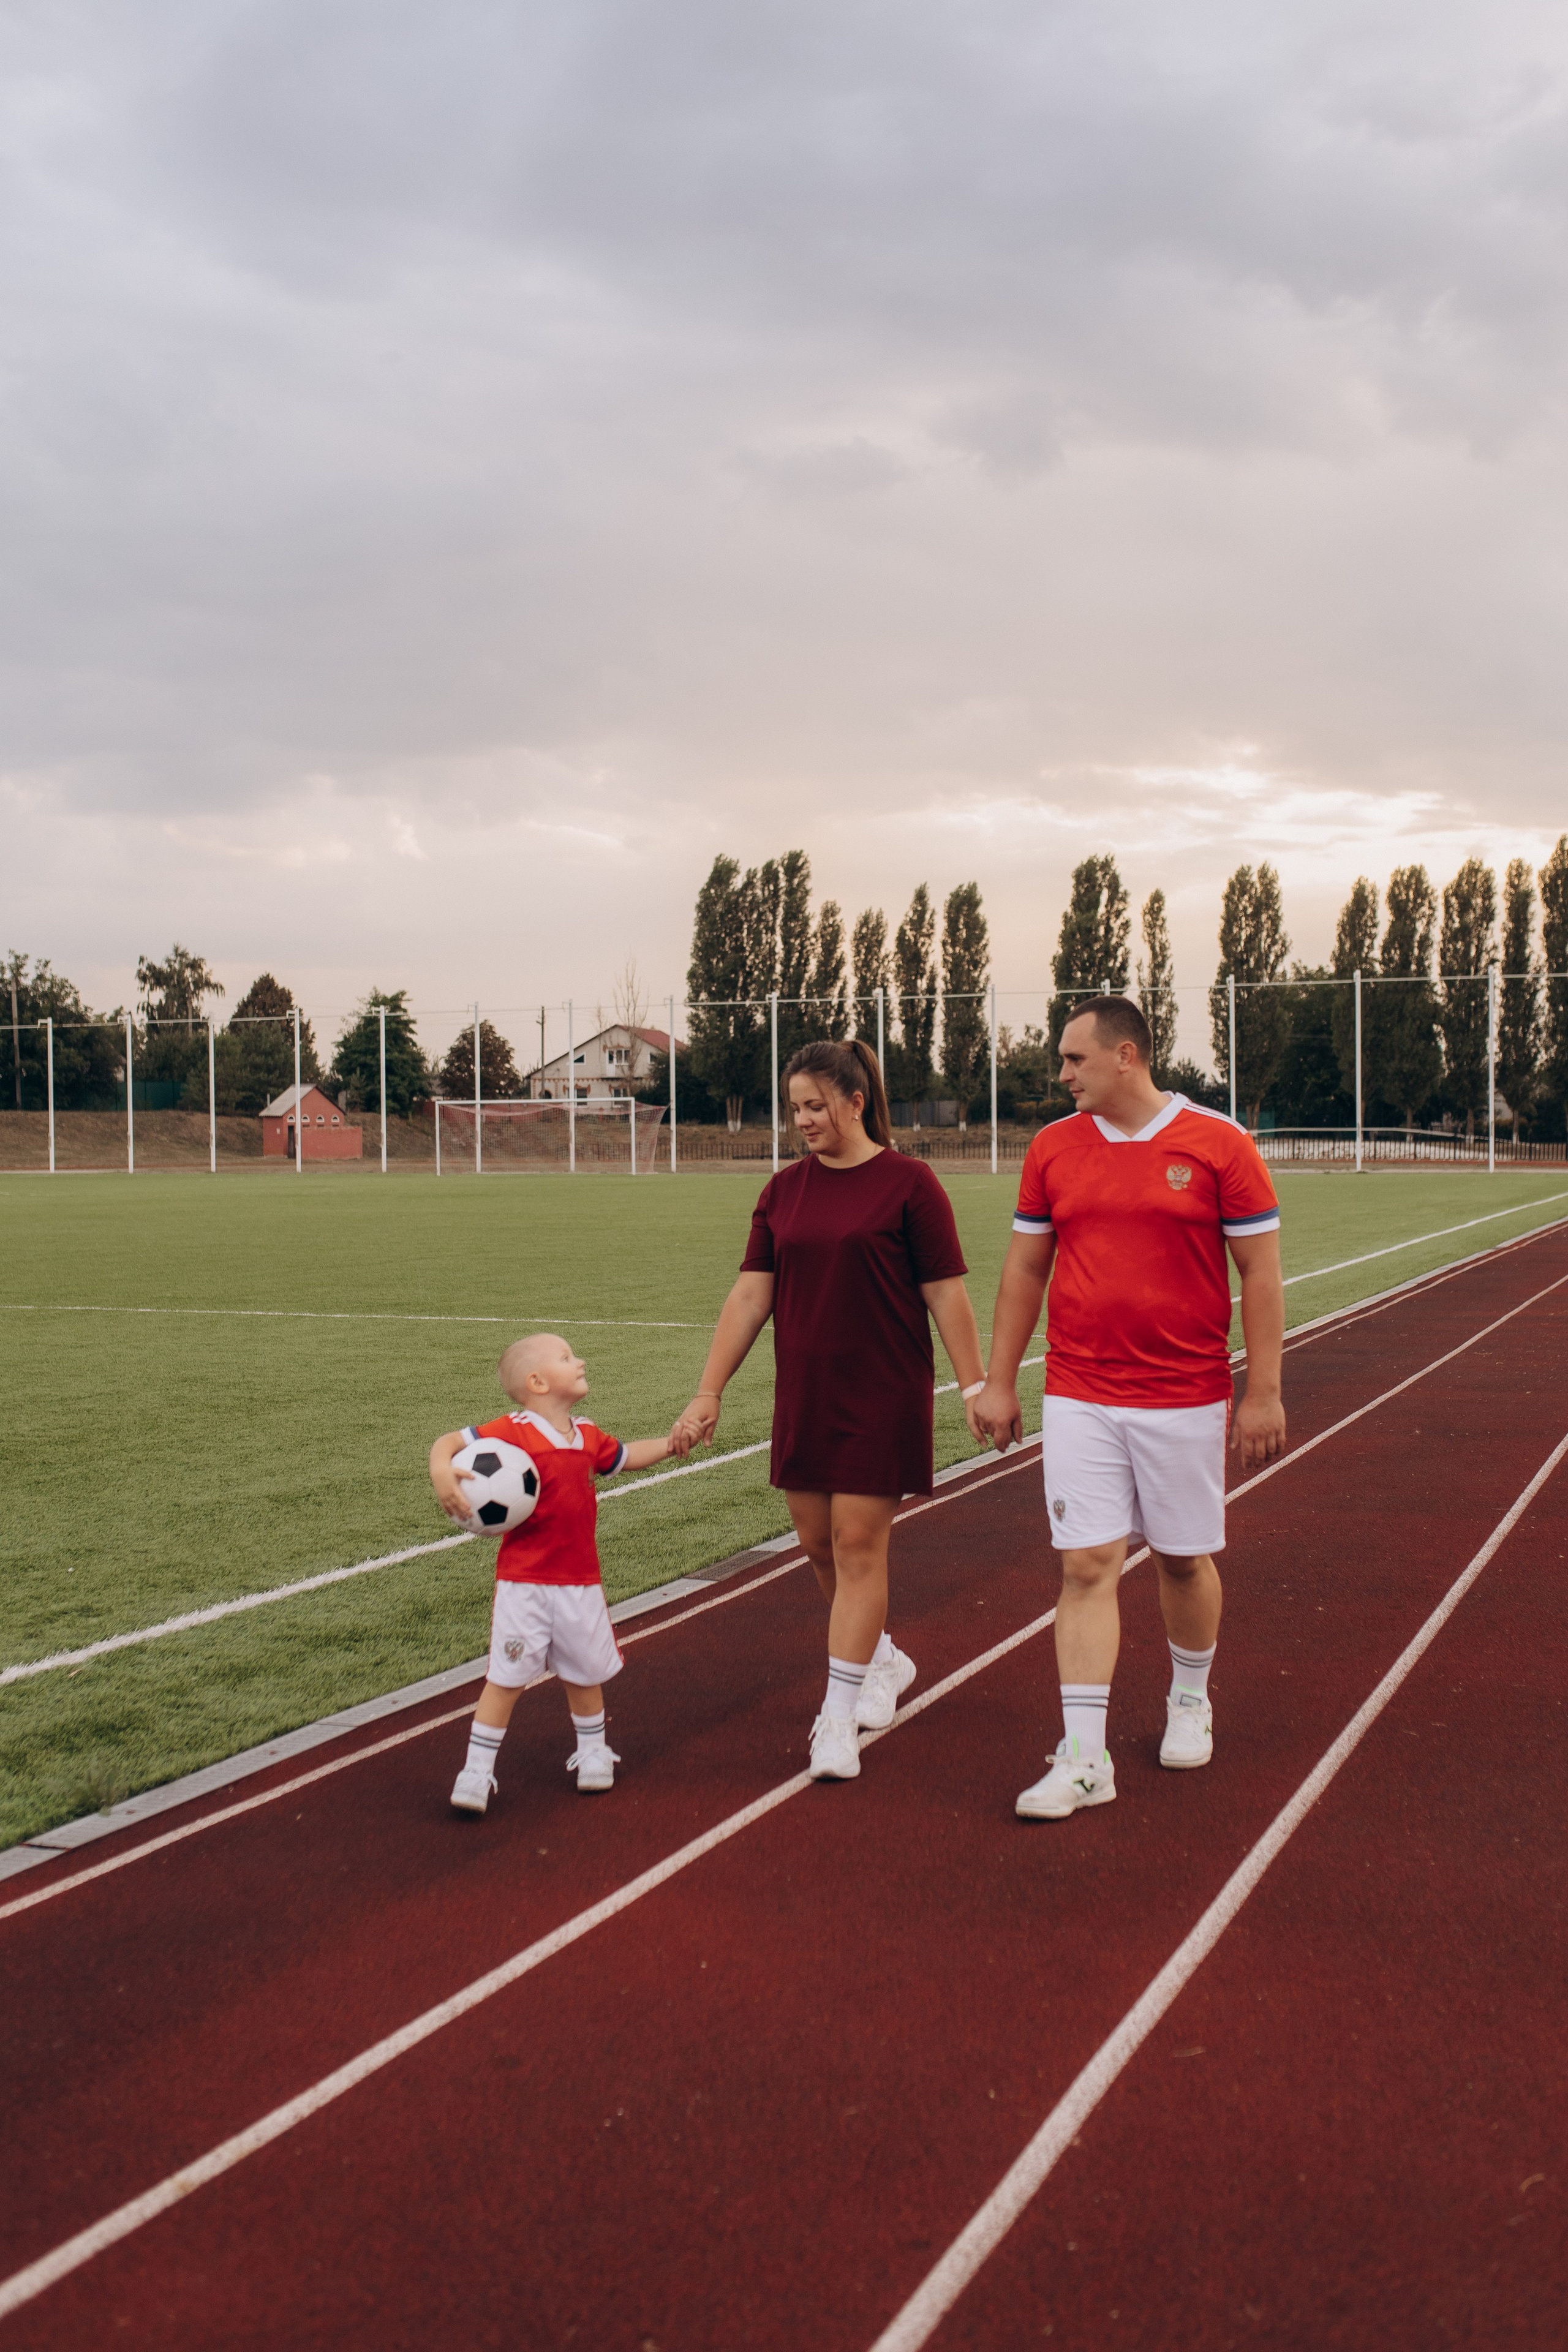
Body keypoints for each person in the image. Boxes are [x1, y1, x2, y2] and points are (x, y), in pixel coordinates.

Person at [972, 996, 1286, 1820]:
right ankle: (1083, 1759)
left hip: (1185, 1393)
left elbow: (1259, 1274)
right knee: (1084, 1565)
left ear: (1127, 1056)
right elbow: (1024, 1273)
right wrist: (999, 1382)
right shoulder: (1052, 1148)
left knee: (1183, 1558)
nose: (1062, 1074)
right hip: (1080, 1392)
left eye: (1075, 1060)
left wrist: (1265, 1392)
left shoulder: (1221, 1143)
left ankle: (1190, 1697)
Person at [674, 1039, 987, 1782]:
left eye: (816, 1106)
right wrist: (709, 1388)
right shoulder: (783, 1191)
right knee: (817, 1545)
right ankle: (880, 1658)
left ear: (855, 1101)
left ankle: (837, 1718)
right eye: (794, 1110)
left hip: (883, 1390)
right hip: (806, 1392)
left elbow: (945, 1292)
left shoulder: (911, 1185)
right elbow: (752, 1295)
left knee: (856, 1545)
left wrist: (975, 1387)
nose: (803, 1121)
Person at [430, 1333, 689, 1815]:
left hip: (580, 1582)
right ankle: (477, 1770)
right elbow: (448, 1443)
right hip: (523, 1583)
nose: (581, 1360)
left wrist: (672, 1444)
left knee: (583, 1673)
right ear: (538, 1381)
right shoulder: (511, 1432)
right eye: (568, 1358)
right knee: (505, 1678)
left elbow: (626, 1457)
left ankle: (593, 1753)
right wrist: (442, 1472)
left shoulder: (588, 1435)